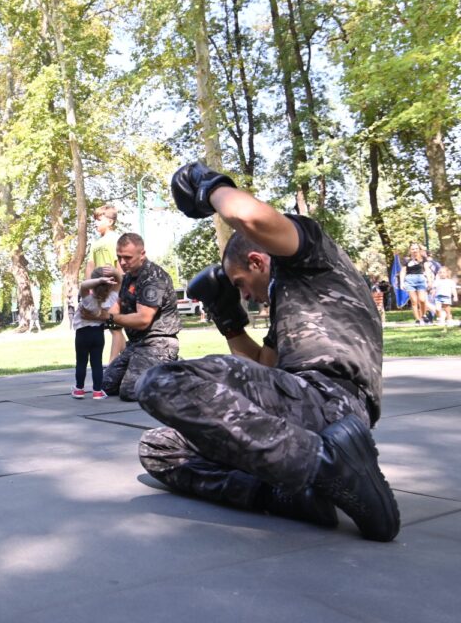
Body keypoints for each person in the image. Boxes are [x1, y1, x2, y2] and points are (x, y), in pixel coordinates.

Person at [136, 161, 399, 542]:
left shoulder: (312, 253)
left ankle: (325, 465)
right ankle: (290, 495)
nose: (243, 295)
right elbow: (262, 366)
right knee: (160, 448)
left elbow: (250, 218)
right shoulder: (292, 302)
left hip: (332, 401)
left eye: (241, 284)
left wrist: (209, 185)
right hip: (301, 404)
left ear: (258, 260)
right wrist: (227, 319)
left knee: (161, 383)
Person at [83, 233, 180, 401]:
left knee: (130, 391)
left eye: (127, 257)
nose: (122, 262)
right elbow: (115, 308)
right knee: (105, 386)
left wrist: (106, 317)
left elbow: (143, 320)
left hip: (157, 343)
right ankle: (160, 368)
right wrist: (94, 309)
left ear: (142, 254)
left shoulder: (153, 278)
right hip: (135, 345)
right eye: (119, 257)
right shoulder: (127, 279)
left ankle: (177, 372)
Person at [84, 203, 126, 362]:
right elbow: (90, 265)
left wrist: (119, 289)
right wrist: (89, 288)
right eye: (95, 220)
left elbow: (120, 266)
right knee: (111, 328)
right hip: (100, 291)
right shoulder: (95, 243)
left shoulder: (116, 240)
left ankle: (112, 364)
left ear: (110, 221)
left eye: (99, 219)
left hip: (114, 289)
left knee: (115, 328)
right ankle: (131, 355)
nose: (95, 223)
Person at [71, 268, 120, 400]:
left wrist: (99, 280)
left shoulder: (87, 299)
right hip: (98, 334)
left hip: (83, 334)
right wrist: (114, 273)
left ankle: (79, 389)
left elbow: (83, 285)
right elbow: (119, 282)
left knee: (81, 362)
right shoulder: (109, 300)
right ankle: (97, 391)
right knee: (97, 363)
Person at [400, 243, 435, 324]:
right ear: (410, 250)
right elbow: (403, 271)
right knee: (414, 301)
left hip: (420, 279)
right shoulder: (406, 260)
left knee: (422, 300)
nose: (414, 250)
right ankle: (417, 319)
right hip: (409, 280)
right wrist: (401, 283)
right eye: (413, 249)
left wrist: (429, 281)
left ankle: (423, 315)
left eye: (416, 248)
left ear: (419, 250)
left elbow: (427, 270)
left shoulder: (423, 259)